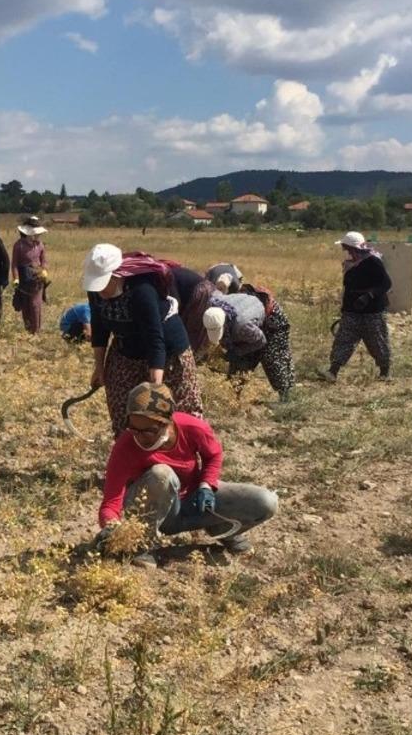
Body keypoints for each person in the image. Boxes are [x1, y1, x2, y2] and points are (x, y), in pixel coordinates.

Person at [96, 382, 278, 568]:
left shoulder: (192, 427)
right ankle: (142, 544)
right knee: (162, 473)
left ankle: (220, 527)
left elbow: (213, 455)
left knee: (265, 502)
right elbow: (111, 503)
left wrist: (206, 485)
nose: (140, 437)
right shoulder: (126, 446)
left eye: (149, 431)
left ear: (166, 422)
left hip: (194, 503)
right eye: (134, 429)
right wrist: (114, 529)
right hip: (156, 513)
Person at [84, 243, 205, 436]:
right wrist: (99, 367)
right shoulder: (95, 291)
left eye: (103, 283)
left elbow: (154, 337)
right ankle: (134, 459)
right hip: (126, 350)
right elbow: (99, 328)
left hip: (167, 351)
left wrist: (155, 386)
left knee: (177, 414)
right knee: (123, 411)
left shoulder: (141, 289)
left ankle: (181, 462)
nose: (100, 291)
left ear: (117, 275)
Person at [320, 231, 392, 382]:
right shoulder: (350, 264)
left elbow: (386, 284)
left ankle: (385, 372)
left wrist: (368, 296)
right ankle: (333, 372)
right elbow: (349, 289)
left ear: (353, 248)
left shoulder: (373, 261)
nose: (344, 250)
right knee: (343, 340)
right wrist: (345, 308)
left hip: (373, 312)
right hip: (352, 311)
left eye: (346, 247)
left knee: (377, 342)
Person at [218, 286, 296, 400]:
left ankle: (286, 398)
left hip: (272, 320)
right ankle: (233, 396)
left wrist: (236, 351)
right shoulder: (216, 309)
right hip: (252, 319)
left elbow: (261, 341)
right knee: (242, 358)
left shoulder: (241, 324)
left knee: (272, 357)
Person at [11, 216, 49, 334]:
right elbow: (14, 264)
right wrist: (16, 278)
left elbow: (44, 260)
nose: (37, 236)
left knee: (35, 305)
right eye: (34, 234)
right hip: (23, 279)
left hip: (37, 279)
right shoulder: (18, 246)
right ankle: (28, 330)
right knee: (25, 306)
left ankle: (36, 332)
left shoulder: (40, 245)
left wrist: (44, 270)